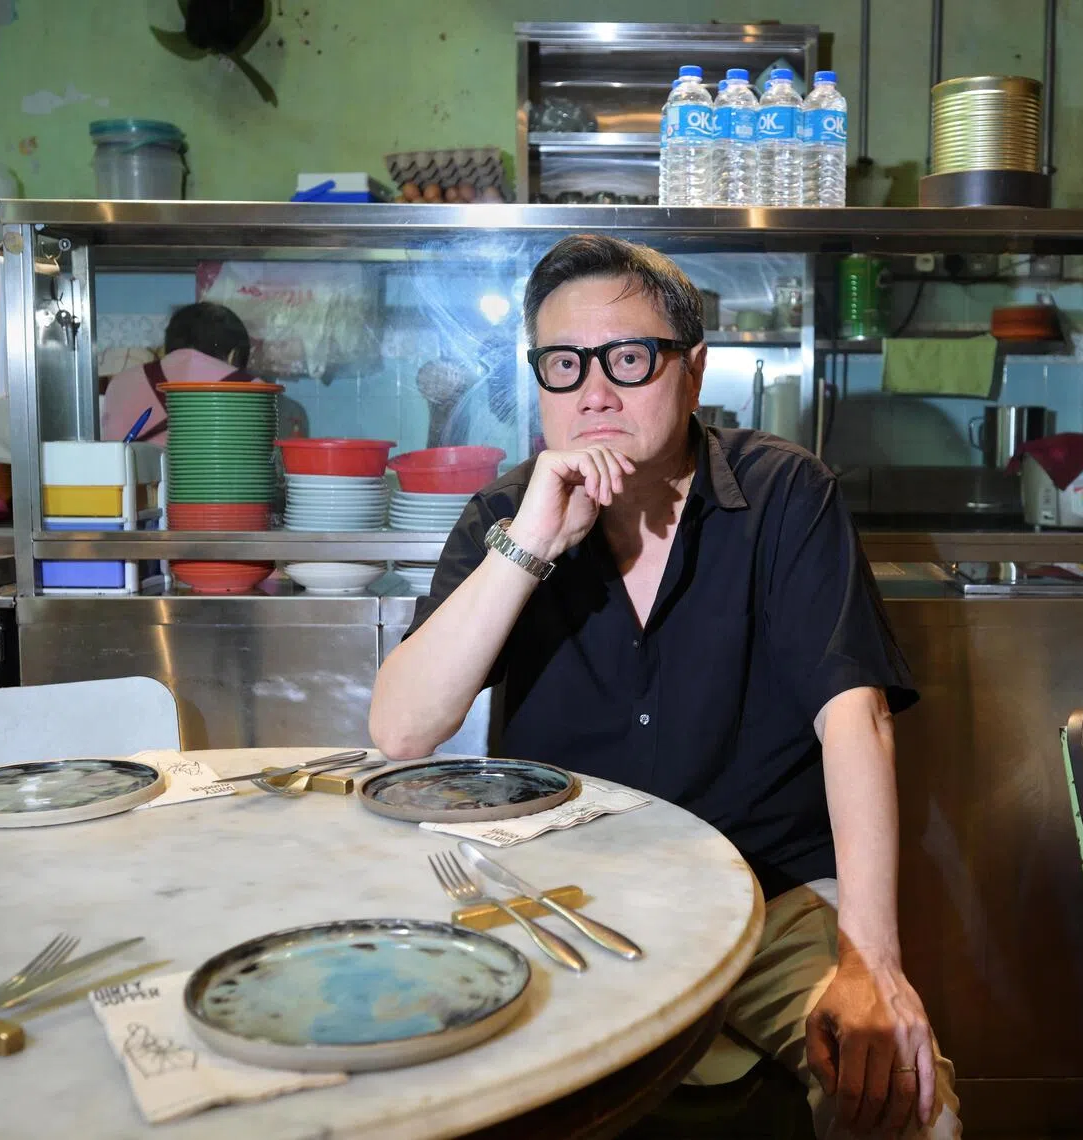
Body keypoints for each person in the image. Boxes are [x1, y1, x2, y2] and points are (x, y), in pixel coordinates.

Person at [369, 235, 962, 1137]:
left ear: (692, 371)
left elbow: (857, 721)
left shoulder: (783, 494)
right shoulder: (504, 516)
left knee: (905, 1103)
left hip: (777, 901)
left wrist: (871, 961)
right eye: (564, 365)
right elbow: (406, 731)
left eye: (629, 359)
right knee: (448, 1099)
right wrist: (530, 547)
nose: (594, 392)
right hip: (559, 898)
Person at [101, 301, 306, 444]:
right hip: (221, 502)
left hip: (128, 502)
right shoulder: (251, 390)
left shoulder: (119, 383)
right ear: (233, 356)